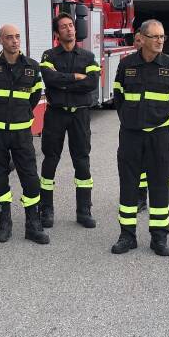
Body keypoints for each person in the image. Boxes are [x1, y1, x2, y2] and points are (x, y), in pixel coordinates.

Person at [111, 19, 169, 257]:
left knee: (160, 187)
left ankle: (159, 238)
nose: (160, 40)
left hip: (160, 136)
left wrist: (160, 122)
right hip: (131, 135)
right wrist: (130, 121)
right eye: (155, 36)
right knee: (128, 185)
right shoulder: (126, 65)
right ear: (141, 38)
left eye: (162, 36)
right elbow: (119, 97)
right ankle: (127, 236)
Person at [0, 24, 49, 244]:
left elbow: (35, 96)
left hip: (21, 133)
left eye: (17, 37)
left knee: (31, 179)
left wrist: (21, 114)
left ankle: (33, 225)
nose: (14, 41)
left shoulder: (32, 67)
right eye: (9, 37)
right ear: (0, 41)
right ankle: (4, 224)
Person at [38, 12, 101, 229]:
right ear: (57, 33)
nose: (69, 29)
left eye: (71, 25)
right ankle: (46, 210)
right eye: (64, 26)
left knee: (82, 161)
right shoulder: (48, 56)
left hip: (80, 115)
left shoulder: (87, 56)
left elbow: (92, 83)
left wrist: (62, 82)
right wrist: (75, 77)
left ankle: (84, 211)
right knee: (50, 160)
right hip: (56, 113)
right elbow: (49, 78)